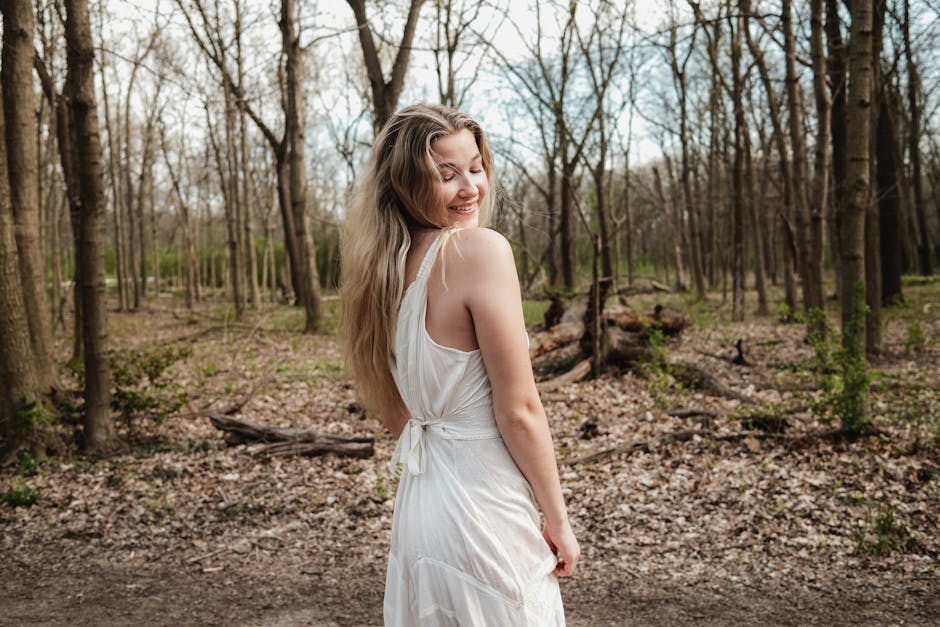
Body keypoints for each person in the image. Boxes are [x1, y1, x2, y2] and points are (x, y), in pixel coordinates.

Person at [340, 104, 579, 626]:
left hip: (421, 508)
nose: (470, 187)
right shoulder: (480, 251)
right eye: (445, 175)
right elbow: (519, 409)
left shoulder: (380, 269)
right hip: (485, 508)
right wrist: (557, 519)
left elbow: (391, 405)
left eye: (475, 167)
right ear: (405, 184)